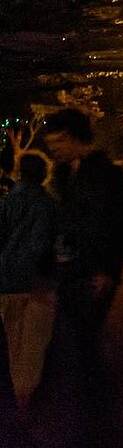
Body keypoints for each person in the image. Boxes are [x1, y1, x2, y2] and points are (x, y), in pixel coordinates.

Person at [38, 106, 123, 448]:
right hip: (69, 269)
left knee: (81, 341)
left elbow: (120, 225)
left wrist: (108, 270)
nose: (56, 149)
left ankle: (93, 421)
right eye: (52, 143)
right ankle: (90, 413)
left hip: (93, 271)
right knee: (75, 341)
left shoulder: (105, 175)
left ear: (78, 138)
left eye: (61, 141)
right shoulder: (63, 176)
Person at [0, 149, 56, 412]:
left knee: (12, 340)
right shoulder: (46, 203)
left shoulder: (7, 201)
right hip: (35, 284)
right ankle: (26, 396)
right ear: (43, 173)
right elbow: (43, 243)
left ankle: (14, 393)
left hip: (7, 280)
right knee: (33, 344)